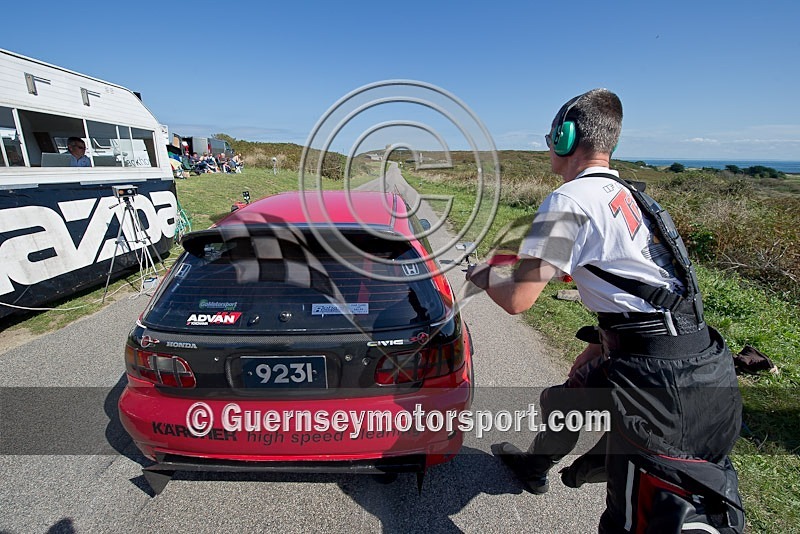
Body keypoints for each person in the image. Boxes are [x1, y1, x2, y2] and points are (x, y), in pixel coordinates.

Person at [466, 88, 744, 532]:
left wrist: (482, 273)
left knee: (632, 518)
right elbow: (641, 276)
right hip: (689, 355)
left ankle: (599, 459)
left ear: (564, 137)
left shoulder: (568, 202)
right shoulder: (629, 193)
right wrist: (603, 340)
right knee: (568, 397)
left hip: (657, 380)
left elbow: (518, 300)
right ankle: (537, 466)